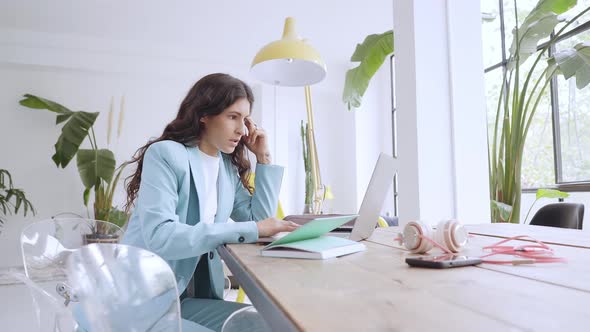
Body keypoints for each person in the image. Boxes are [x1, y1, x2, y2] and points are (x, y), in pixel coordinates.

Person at [121, 73, 299, 331]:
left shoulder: (226, 169)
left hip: (186, 298)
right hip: (143, 302)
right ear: (204, 114)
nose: (241, 129)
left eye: (244, 119)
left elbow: (256, 220)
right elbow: (161, 235)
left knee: (269, 325)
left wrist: (264, 158)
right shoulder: (167, 154)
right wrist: (255, 229)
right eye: (232, 116)